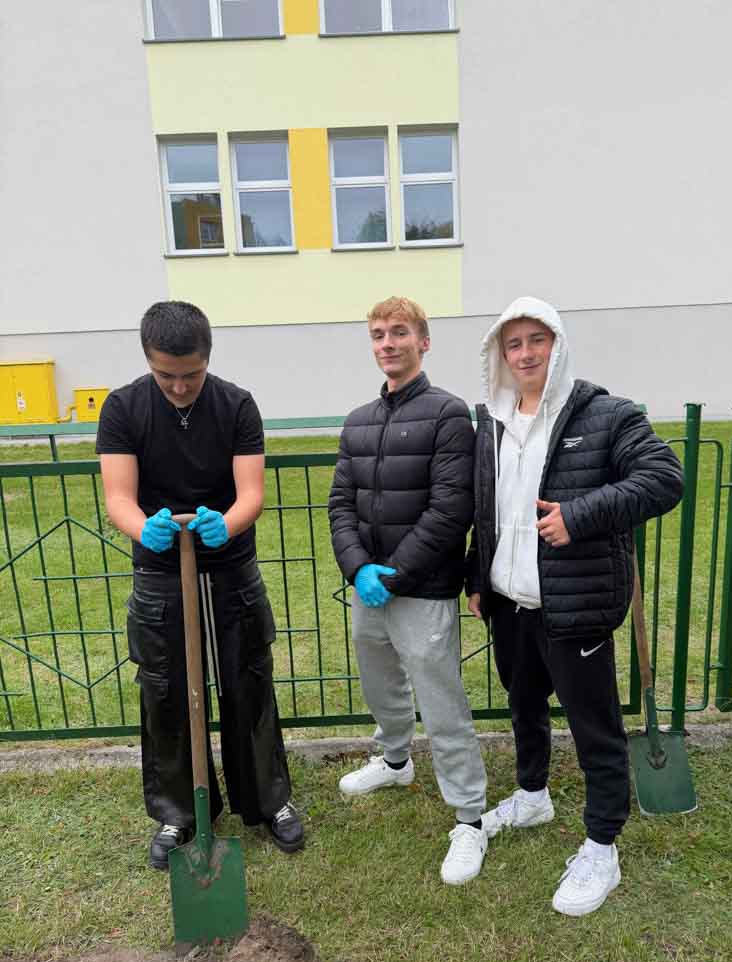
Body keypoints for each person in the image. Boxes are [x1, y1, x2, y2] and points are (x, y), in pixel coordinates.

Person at [466, 296, 683, 916]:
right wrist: (478, 575)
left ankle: (602, 847)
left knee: (595, 727)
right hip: (510, 603)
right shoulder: (495, 422)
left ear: (558, 345)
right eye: (514, 343)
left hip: (574, 602)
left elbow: (664, 478)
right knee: (524, 704)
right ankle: (532, 795)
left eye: (538, 340)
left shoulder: (607, 415)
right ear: (500, 354)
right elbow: (489, 507)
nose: (526, 353)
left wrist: (580, 516)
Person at [97, 300, 303, 869]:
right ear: (148, 360)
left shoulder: (236, 405)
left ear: (207, 358)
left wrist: (226, 524)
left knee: (248, 682)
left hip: (230, 569)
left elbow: (251, 493)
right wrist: (145, 527)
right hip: (160, 572)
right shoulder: (123, 408)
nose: (180, 386)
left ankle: (268, 801)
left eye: (192, 374)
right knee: (166, 693)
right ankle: (179, 813)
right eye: (166, 375)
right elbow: (118, 496)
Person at [328, 296, 488, 886]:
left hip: (422, 589)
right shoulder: (358, 421)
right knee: (380, 683)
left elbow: (450, 511)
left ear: (423, 341)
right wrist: (358, 570)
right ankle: (395, 760)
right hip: (368, 588)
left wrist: (391, 574)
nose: (387, 343)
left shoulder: (447, 415)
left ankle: (470, 817)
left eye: (399, 332)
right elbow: (340, 505)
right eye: (378, 334)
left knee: (441, 700)